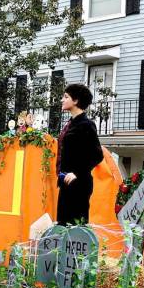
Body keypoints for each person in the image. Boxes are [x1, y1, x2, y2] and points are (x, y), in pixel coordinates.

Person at [56, 84, 104, 226]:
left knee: (76, 229)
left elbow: (97, 155)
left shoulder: (86, 125)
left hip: (79, 184)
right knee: (63, 227)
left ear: (75, 101)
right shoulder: (69, 124)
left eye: (66, 97)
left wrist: (77, 173)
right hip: (65, 182)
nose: (62, 100)